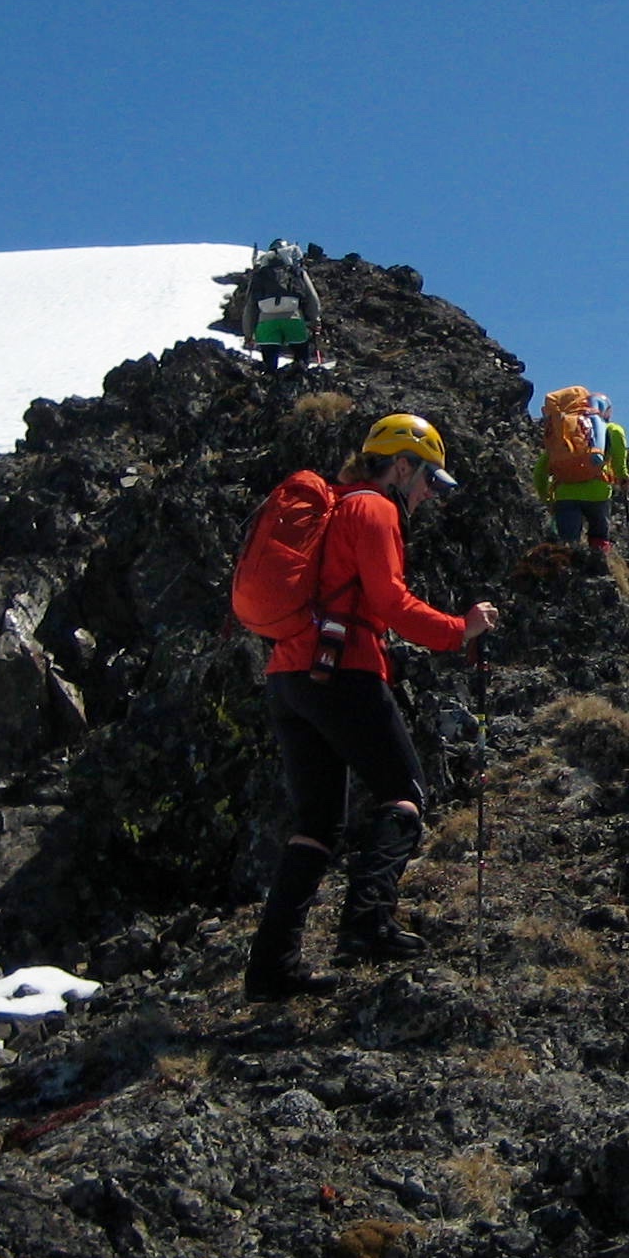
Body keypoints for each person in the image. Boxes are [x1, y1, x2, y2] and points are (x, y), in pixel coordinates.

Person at [247, 413, 498, 998]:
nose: (431, 495)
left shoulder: (339, 505)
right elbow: (390, 601)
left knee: (315, 825)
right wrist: (460, 629)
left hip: (291, 675)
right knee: (405, 794)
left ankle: (270, 969)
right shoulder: (374, 508)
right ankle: (366, 923)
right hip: (344, 670)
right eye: (430, 480)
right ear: (402, 465)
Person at [537, 386, 628, 555]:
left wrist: (547, 498)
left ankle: (566, 570)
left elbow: (539, 472)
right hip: (598, 491)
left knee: (568, 543)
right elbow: (618, 451)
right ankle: (600, 564)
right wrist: (622, 475)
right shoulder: (610, 429)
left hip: (565, 494)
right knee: (599, 535)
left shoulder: (560, 432)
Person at [214, 241, 325, 373]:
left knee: (269, 366)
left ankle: (270, 386)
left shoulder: (260, 274)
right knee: (301, 361)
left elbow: (250, 306)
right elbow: (312, 297)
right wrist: (315, 319)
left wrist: (248, 334)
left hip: (266, 323)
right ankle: (301, 385)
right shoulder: (296, 270)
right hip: (293, 319)